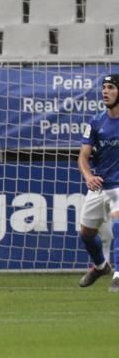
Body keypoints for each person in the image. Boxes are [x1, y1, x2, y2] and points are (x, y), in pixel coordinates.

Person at [77, 72, 119, 293]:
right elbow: (83, 157)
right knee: (86, 234)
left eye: (111, 87)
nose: (106, 91)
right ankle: (101, 266)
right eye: (104, 88)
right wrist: (88, 176)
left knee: (118, 223)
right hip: (99, 185)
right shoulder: (96, 122)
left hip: (118, 187)